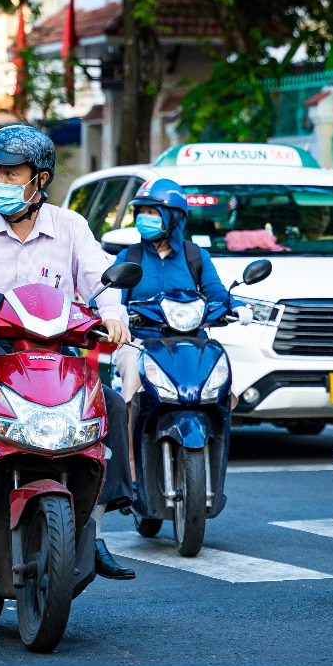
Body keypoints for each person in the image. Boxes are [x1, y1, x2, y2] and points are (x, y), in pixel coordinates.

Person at [0, 124, 137, 580]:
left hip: (57, 360)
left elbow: (102, 279)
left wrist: (114, 316)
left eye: (11, 173)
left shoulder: (71, 226)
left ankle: (95, 532)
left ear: (40, 178)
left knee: (111, 406)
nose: (0, 181)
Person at [113, 179, 251, 475]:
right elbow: (114, 299)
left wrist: (237, 305)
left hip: (193, 342)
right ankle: (132, 471)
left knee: (226, 382)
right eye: (141, 211)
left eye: (153, 211)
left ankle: (212, 450)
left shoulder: (195, 256)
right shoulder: (129, 257)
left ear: (174, 216)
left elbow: (216, 292)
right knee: (129, 385)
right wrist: (117, 317)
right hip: (140, 342)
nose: (144, 218)